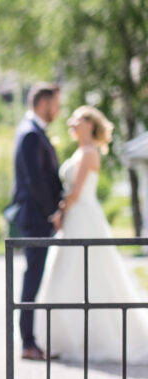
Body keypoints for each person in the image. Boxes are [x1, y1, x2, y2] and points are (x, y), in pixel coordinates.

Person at [33, 106, 148, 363]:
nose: (72, 123)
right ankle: (65, 338)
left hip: (83, 216)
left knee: (90, 273)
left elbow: (75, 192)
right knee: (66, 273)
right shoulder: (79, 152)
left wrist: (60, 213)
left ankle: (95, 339)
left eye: (77, 119)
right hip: (75, 217)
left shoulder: (89, 153)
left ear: (89, 124)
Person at [12, 83, 64, 361]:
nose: (58, 110)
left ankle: (32, 340)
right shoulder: (31, 134)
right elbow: (35, 181)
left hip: (38, 216)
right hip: (35, 218)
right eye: (56, 104)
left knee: (35, 276)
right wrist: (52, 213)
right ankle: (28, 342)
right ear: (43, 103)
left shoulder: (34, 132)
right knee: (32, 278)